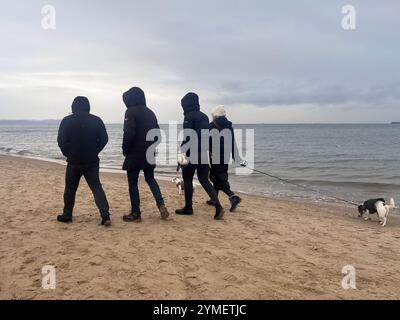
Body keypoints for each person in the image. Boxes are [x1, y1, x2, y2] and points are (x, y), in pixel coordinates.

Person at [57, 96, 111, 226]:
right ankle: (105, 215)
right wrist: (95, 150)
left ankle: (67, 214)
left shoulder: (66, 121)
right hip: (91, 160)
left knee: (70, 188)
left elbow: (61, 140)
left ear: (73, 106)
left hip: (74, 160)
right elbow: (104, 139)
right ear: (88, 106)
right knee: (96, 187)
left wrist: (67, 152)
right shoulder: (96, 120)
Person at [121, 87, 169, 222]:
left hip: (134, 154)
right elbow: (158, 135)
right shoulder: (150, 113)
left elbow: (129, 134)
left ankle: (136, 213)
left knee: (132, 182)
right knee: (151, 179)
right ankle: (161, 205)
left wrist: (125, 150)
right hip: (149, 153)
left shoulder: (130, 112)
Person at [175, 92, 225, 220]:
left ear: (185, 105)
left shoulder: (188, 117)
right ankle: (218, 206)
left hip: (192, 153)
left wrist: (181, 153)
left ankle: (188, 207)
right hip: (203, 152)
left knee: (187, 179)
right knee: (204, 180)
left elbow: (188, 136)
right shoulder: (204, 116)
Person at [208, 105, 242, 212]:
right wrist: (236, 157)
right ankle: (214, 199)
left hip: (215, 157)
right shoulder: (229, 126)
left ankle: (233, 197)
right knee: (218, 177)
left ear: (215, 115)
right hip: (225, 156)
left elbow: (208, 142)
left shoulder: (211, 126)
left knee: (217, 178)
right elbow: (233, 142)